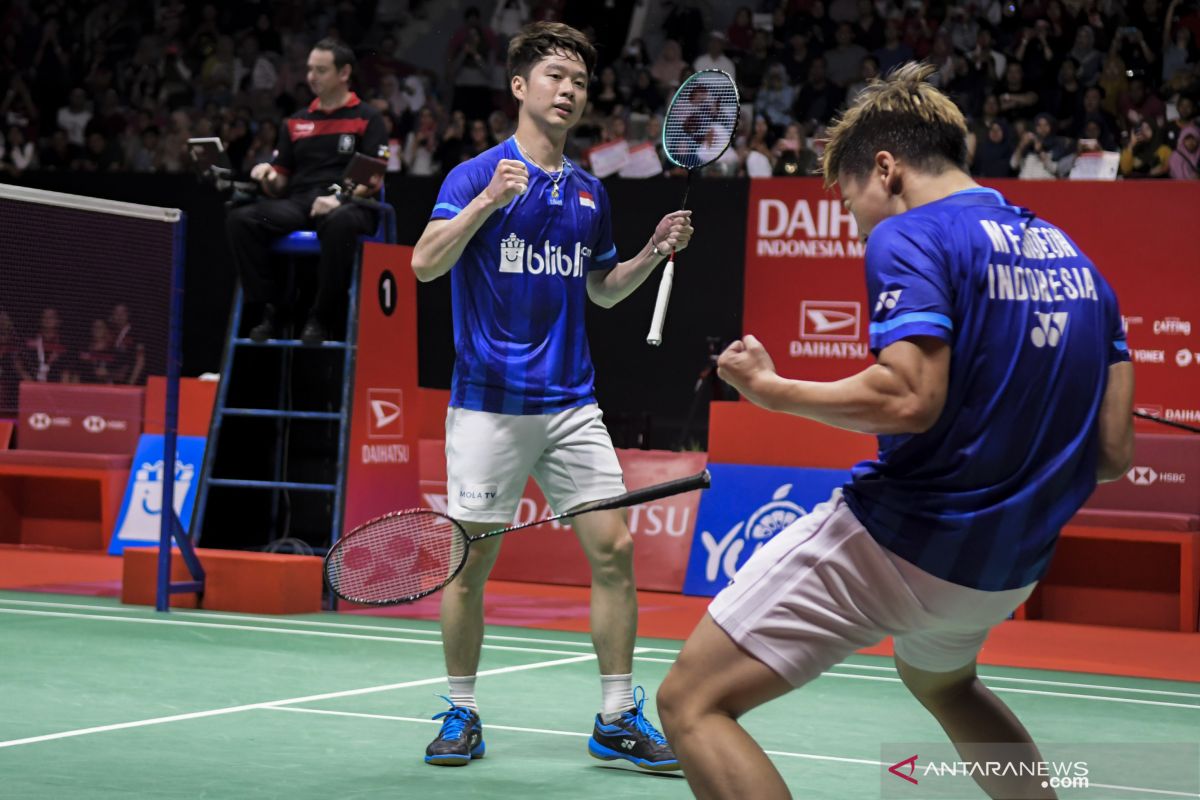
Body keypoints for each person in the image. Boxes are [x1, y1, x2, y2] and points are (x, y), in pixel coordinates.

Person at [656, 63, 1134, 800]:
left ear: (887, 169)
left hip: (905, 542)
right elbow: (1110, 454)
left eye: (854, 209)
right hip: (1005, 570)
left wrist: (771, 390)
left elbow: (908, 399)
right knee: (943, 681)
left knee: (690, 703)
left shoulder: (912, 235)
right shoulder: (1080, 264)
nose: (861, 229)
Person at [410, 21, 693, 772]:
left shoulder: (591, 194)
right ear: (519, 88)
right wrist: (483, 208)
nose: (569, 91)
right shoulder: (475, 175)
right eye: (555, 77)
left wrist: (650, 253)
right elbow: (424, 266)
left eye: (579, 82)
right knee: (470, 568)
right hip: (488, 404)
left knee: (615, 552)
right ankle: (461, 712)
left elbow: (601, 292)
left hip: (571, 404)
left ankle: (615, 716)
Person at [225, 38, 387, 346]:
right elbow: (281, 181)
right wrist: (267, 177)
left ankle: (321, 316)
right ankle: (273, 308)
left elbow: (371, 174)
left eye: (321, 70)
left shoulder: (368, 117)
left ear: (344, 73)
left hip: (350, 203)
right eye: (310, 69)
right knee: (241, 219)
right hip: (300, 203)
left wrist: (338, 198)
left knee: (339, 223)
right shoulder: (296, 121)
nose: (311, 76)